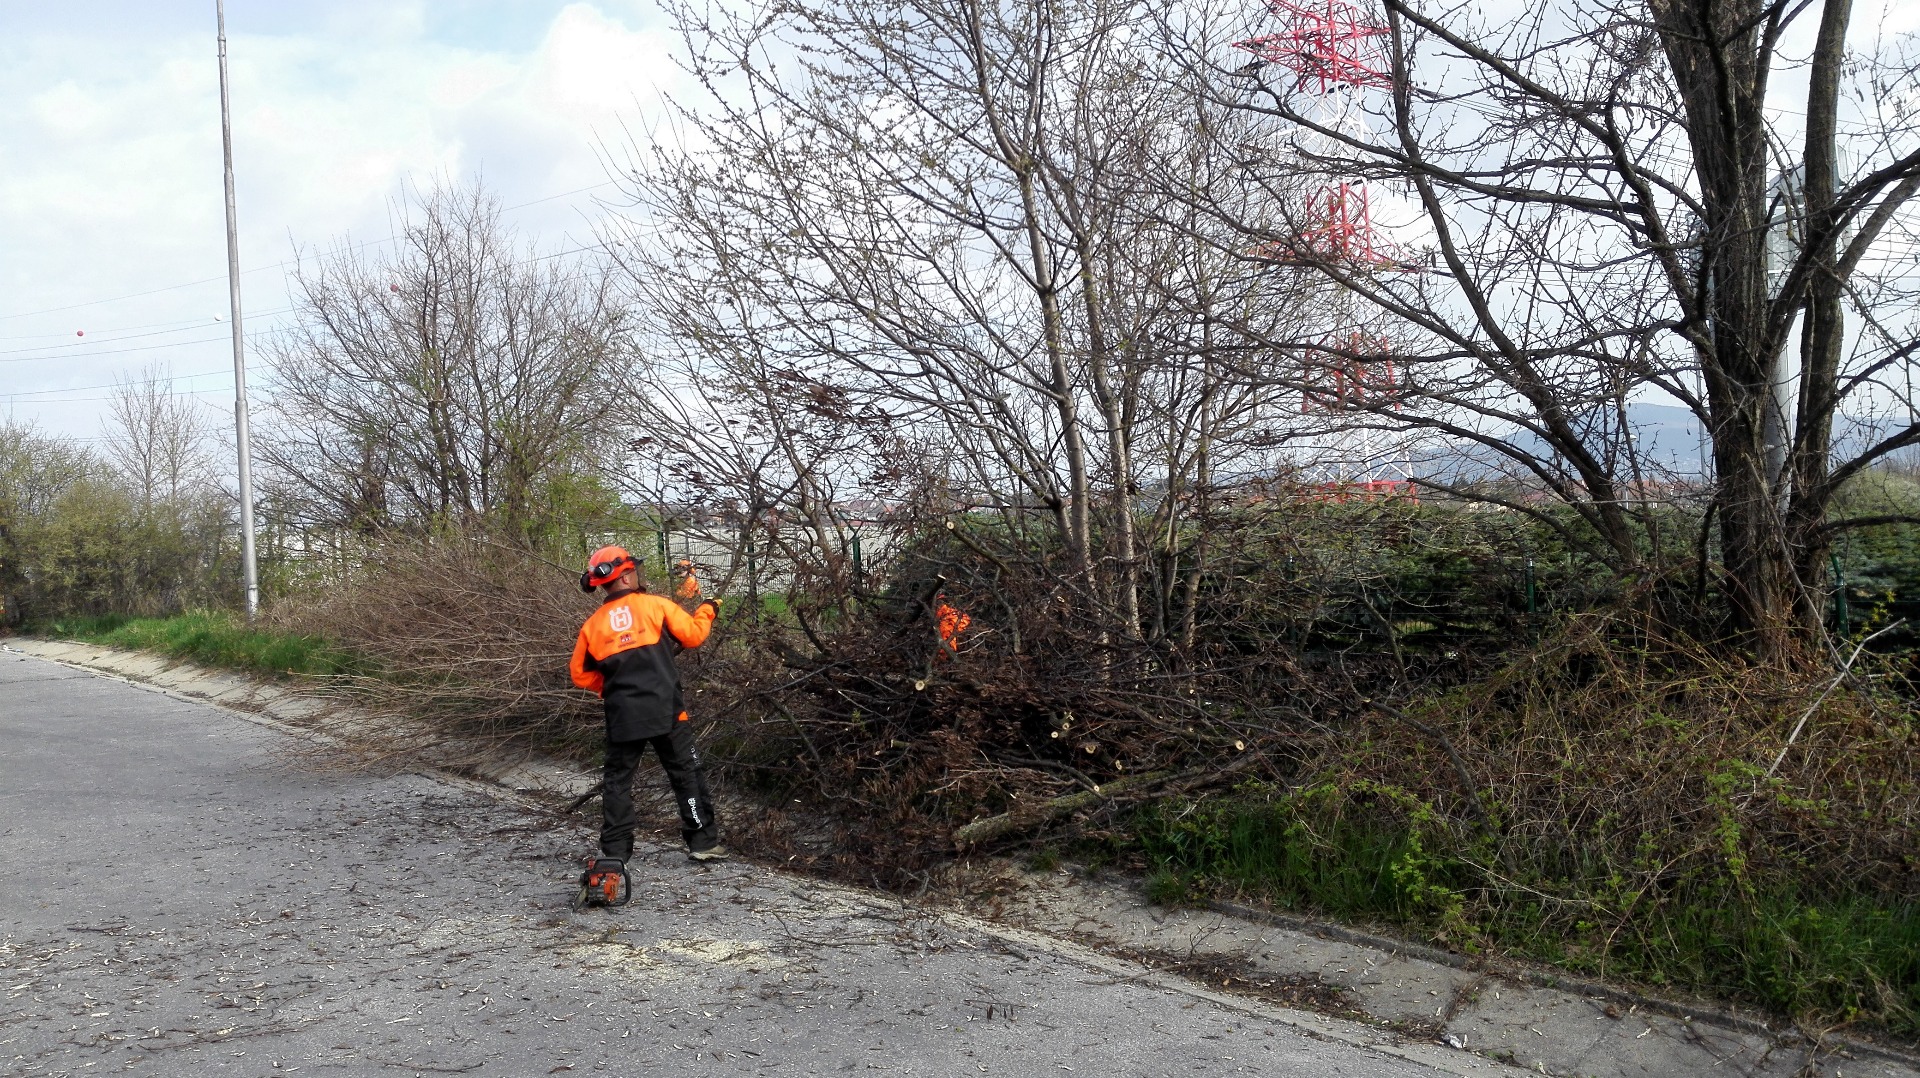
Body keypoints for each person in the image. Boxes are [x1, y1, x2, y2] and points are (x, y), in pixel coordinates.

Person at [570, 545, 727, 871]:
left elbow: (580, 675)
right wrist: (708, 609)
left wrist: (610, 688)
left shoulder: (592, 626)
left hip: (622, 715)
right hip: (667, 711)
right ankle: (703, 842)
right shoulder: (656, 606)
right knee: (686, 774)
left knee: (618, 782)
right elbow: (693, 635)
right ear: (626, 576)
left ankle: (614, 853)